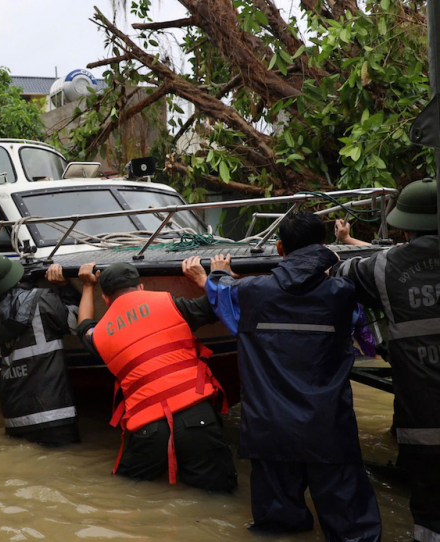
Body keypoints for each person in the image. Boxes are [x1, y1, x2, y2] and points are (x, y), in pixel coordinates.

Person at [182, 211, 381, 541]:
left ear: (278, 248)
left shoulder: (251, 292)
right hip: (329, 429)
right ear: (322, 245)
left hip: (268, 430)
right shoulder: (344, 295)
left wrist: (212, 276)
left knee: (276, 530)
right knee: (353, 531)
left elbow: (225, 298)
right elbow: (370, 346)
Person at [333, 178, 440, 542]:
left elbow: (341, 274)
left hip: (424, 422)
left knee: (429, 510)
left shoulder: (386, 267)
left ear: (405, 226)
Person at [75, 262, 237, 490]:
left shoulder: (99, 334)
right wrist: (215, 276)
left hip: (147, 429)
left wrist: (87, 286)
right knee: (218, 495)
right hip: (197, 417)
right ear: (141, 287)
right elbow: (217, 303)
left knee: (127, 493)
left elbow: (83, 327)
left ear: (107, 300)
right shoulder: (171, 304)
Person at [0, 255, 81, 447]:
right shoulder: (42, 299)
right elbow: (74, 322)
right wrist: (64, 286)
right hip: (54, 415)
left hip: (15, 420)